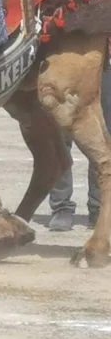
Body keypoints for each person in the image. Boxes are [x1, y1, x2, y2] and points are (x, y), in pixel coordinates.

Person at [48, 38, 111, 231]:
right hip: (64, 58)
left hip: (103, 61)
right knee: (59, 137)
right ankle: (61, 207)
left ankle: (98, 207)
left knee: (101, 136)